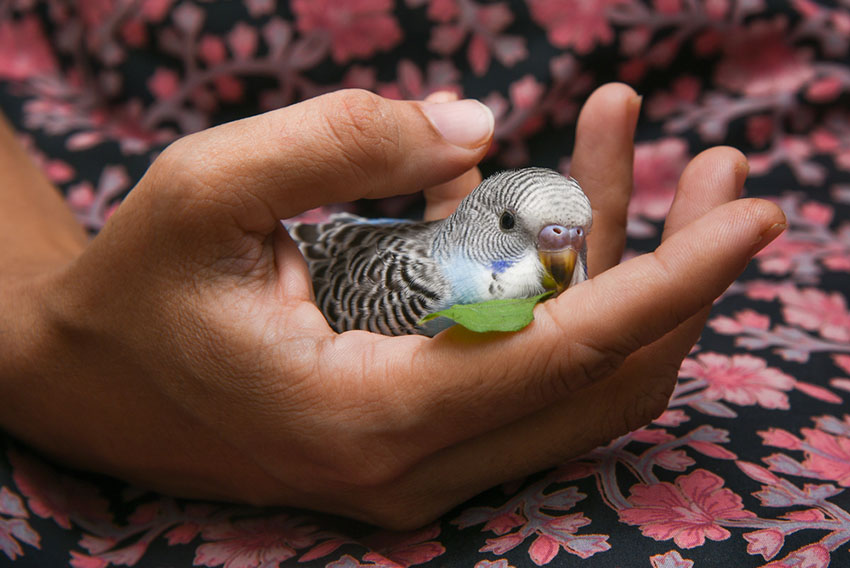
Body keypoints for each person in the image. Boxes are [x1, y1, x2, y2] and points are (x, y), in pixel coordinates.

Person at [0, 81, 784, 528]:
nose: (558, 259)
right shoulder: (425, 287)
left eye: (568, 242)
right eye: (532, 234)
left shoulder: (548, 269)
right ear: (488, 220)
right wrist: (55, 334)